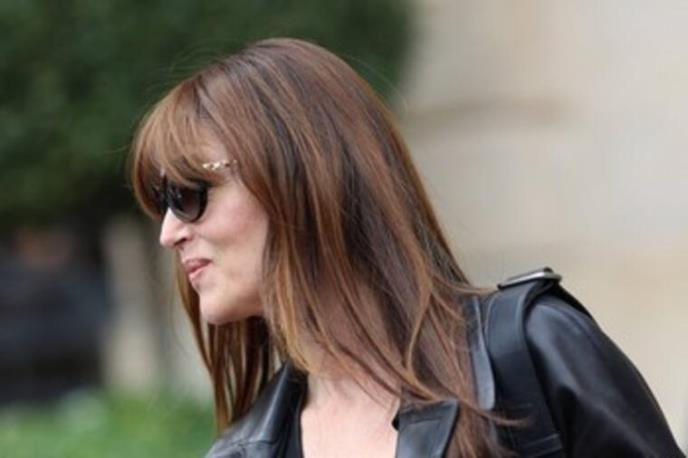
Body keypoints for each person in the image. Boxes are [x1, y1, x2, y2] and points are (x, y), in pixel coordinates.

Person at [129, 38, 683, 457]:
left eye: (189, 195)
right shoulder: (244, 452)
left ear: (300, 175)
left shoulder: (529, 352)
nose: (169, 232)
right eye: (163, 204)